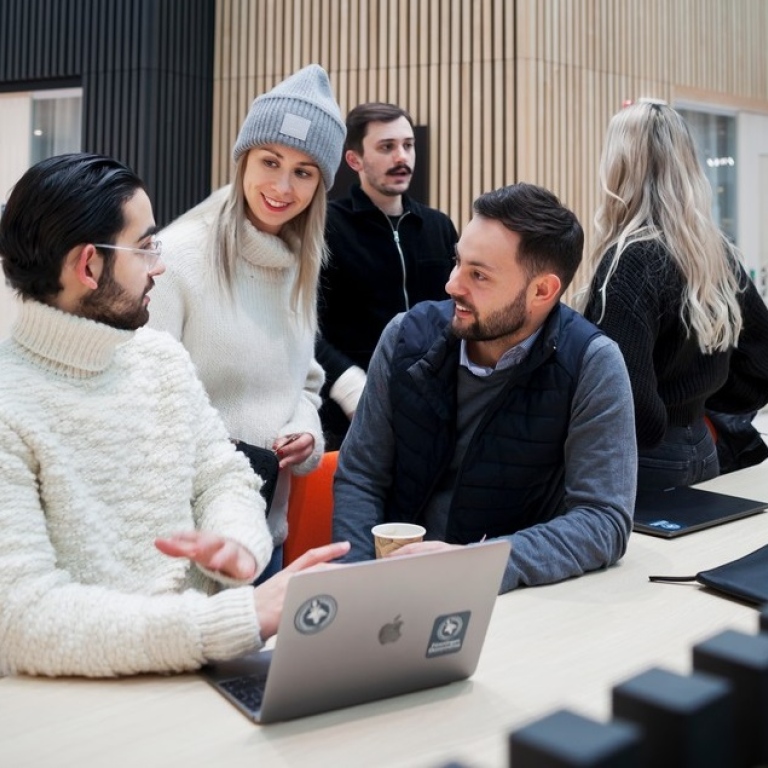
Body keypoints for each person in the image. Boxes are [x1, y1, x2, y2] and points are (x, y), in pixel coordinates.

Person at [0, 152, 349, 678]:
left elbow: (224, 477)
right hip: (82, 709)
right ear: (89, 265)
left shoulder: (158, 360)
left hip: (204, 673)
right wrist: (233, 617)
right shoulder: (11, 402)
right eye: (144, 248)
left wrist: (234, 543)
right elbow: (24, 618)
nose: (160, 264)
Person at [332, 182, 637, 594]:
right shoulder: (405, 337)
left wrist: (473, 566)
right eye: (458, 262)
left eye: (478, 275)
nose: (452, 285)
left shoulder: (591, 363)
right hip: (396, 592)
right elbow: (361, 475)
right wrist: (357, 582)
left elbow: (603, 519)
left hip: (516, 600)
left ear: (542, 291)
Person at [148, 65, 346, 579]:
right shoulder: (178, 259)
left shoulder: (299, 266)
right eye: (271, 161)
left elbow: (305, 383)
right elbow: (146, 396)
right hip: (181, 539)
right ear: (243, 161)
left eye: (304, 172)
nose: (283, 186)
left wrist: (305, 433)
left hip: (263, 535)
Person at [575, 99, 768, 491]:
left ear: (619, 166)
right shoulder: (717, 253)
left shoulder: (631, 261)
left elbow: (623, 397)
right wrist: (697, 404)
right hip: (700, 445)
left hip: (647, 459)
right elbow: (761, 366)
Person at [316, 102, 459, 448]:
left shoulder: (438, 227)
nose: (402, 157)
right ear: (354, 160)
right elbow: (303, 328)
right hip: (347, 421)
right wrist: (349, 387)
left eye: (408, 145)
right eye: (386, 147)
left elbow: (458, 313)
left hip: (430, 413)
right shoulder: (325, 228)